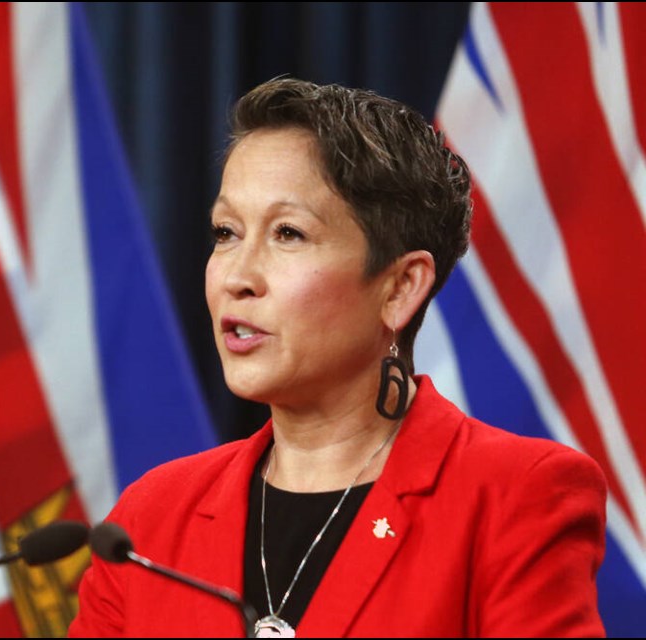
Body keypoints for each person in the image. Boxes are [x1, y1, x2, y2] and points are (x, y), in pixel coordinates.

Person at [68, 78, 606, 638]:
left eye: (288, 234)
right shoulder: (150, 520)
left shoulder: (515, 497)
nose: (238, 277)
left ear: (400, 288)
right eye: (226, 232)